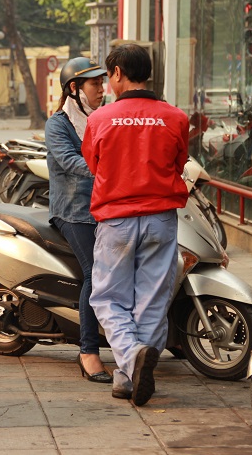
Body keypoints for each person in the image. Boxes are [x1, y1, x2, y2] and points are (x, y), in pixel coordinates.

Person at [81, 44, 189, 406]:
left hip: (116, 220)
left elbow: (95, 167)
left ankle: (128, 358)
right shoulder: (176, 117)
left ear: (116, 74)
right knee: (152, 299)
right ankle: (129, 377)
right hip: (161, 220)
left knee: (108, 298)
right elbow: (179, 164)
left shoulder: (99, 119)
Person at [44, 57, 112, 384]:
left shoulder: (102, 119)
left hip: (104, 206)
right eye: (95, 84)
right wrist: (106, 171)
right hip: (72, 210)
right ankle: (88, 351)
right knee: (94, 273)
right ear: (75, 88)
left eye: (102, 82)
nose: (102, 89)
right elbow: (70, 161)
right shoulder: (58, 124)